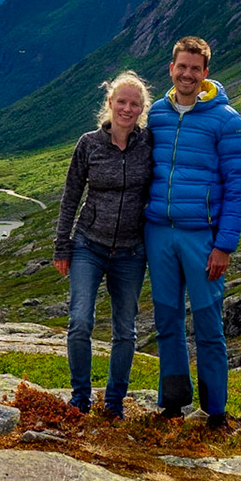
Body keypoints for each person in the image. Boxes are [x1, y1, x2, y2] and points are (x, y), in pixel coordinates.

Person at [143, 36, 241, 428]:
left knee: (208, 324)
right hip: (159, 232)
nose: (187, 74)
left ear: (206, 73)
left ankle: (216, 411)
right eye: (181, 67)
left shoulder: (226, 120)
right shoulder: (156, 114)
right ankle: (172, 404)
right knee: (167, 321)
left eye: (195, 68)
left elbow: (237, 187)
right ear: (171, 69)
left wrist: (224, 246)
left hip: (202, 238)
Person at [53, 71, 153, 417]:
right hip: (88, 246)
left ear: (142, 109)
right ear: (110, 103)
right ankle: (80, 397)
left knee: (125, 330)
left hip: (131, 252)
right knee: (80, 321)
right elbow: (70, 197)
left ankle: (113, 403)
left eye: (134, 104)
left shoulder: (149, 144)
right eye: (121, 102)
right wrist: (62, 245)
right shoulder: (89, 144)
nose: (127, 109)